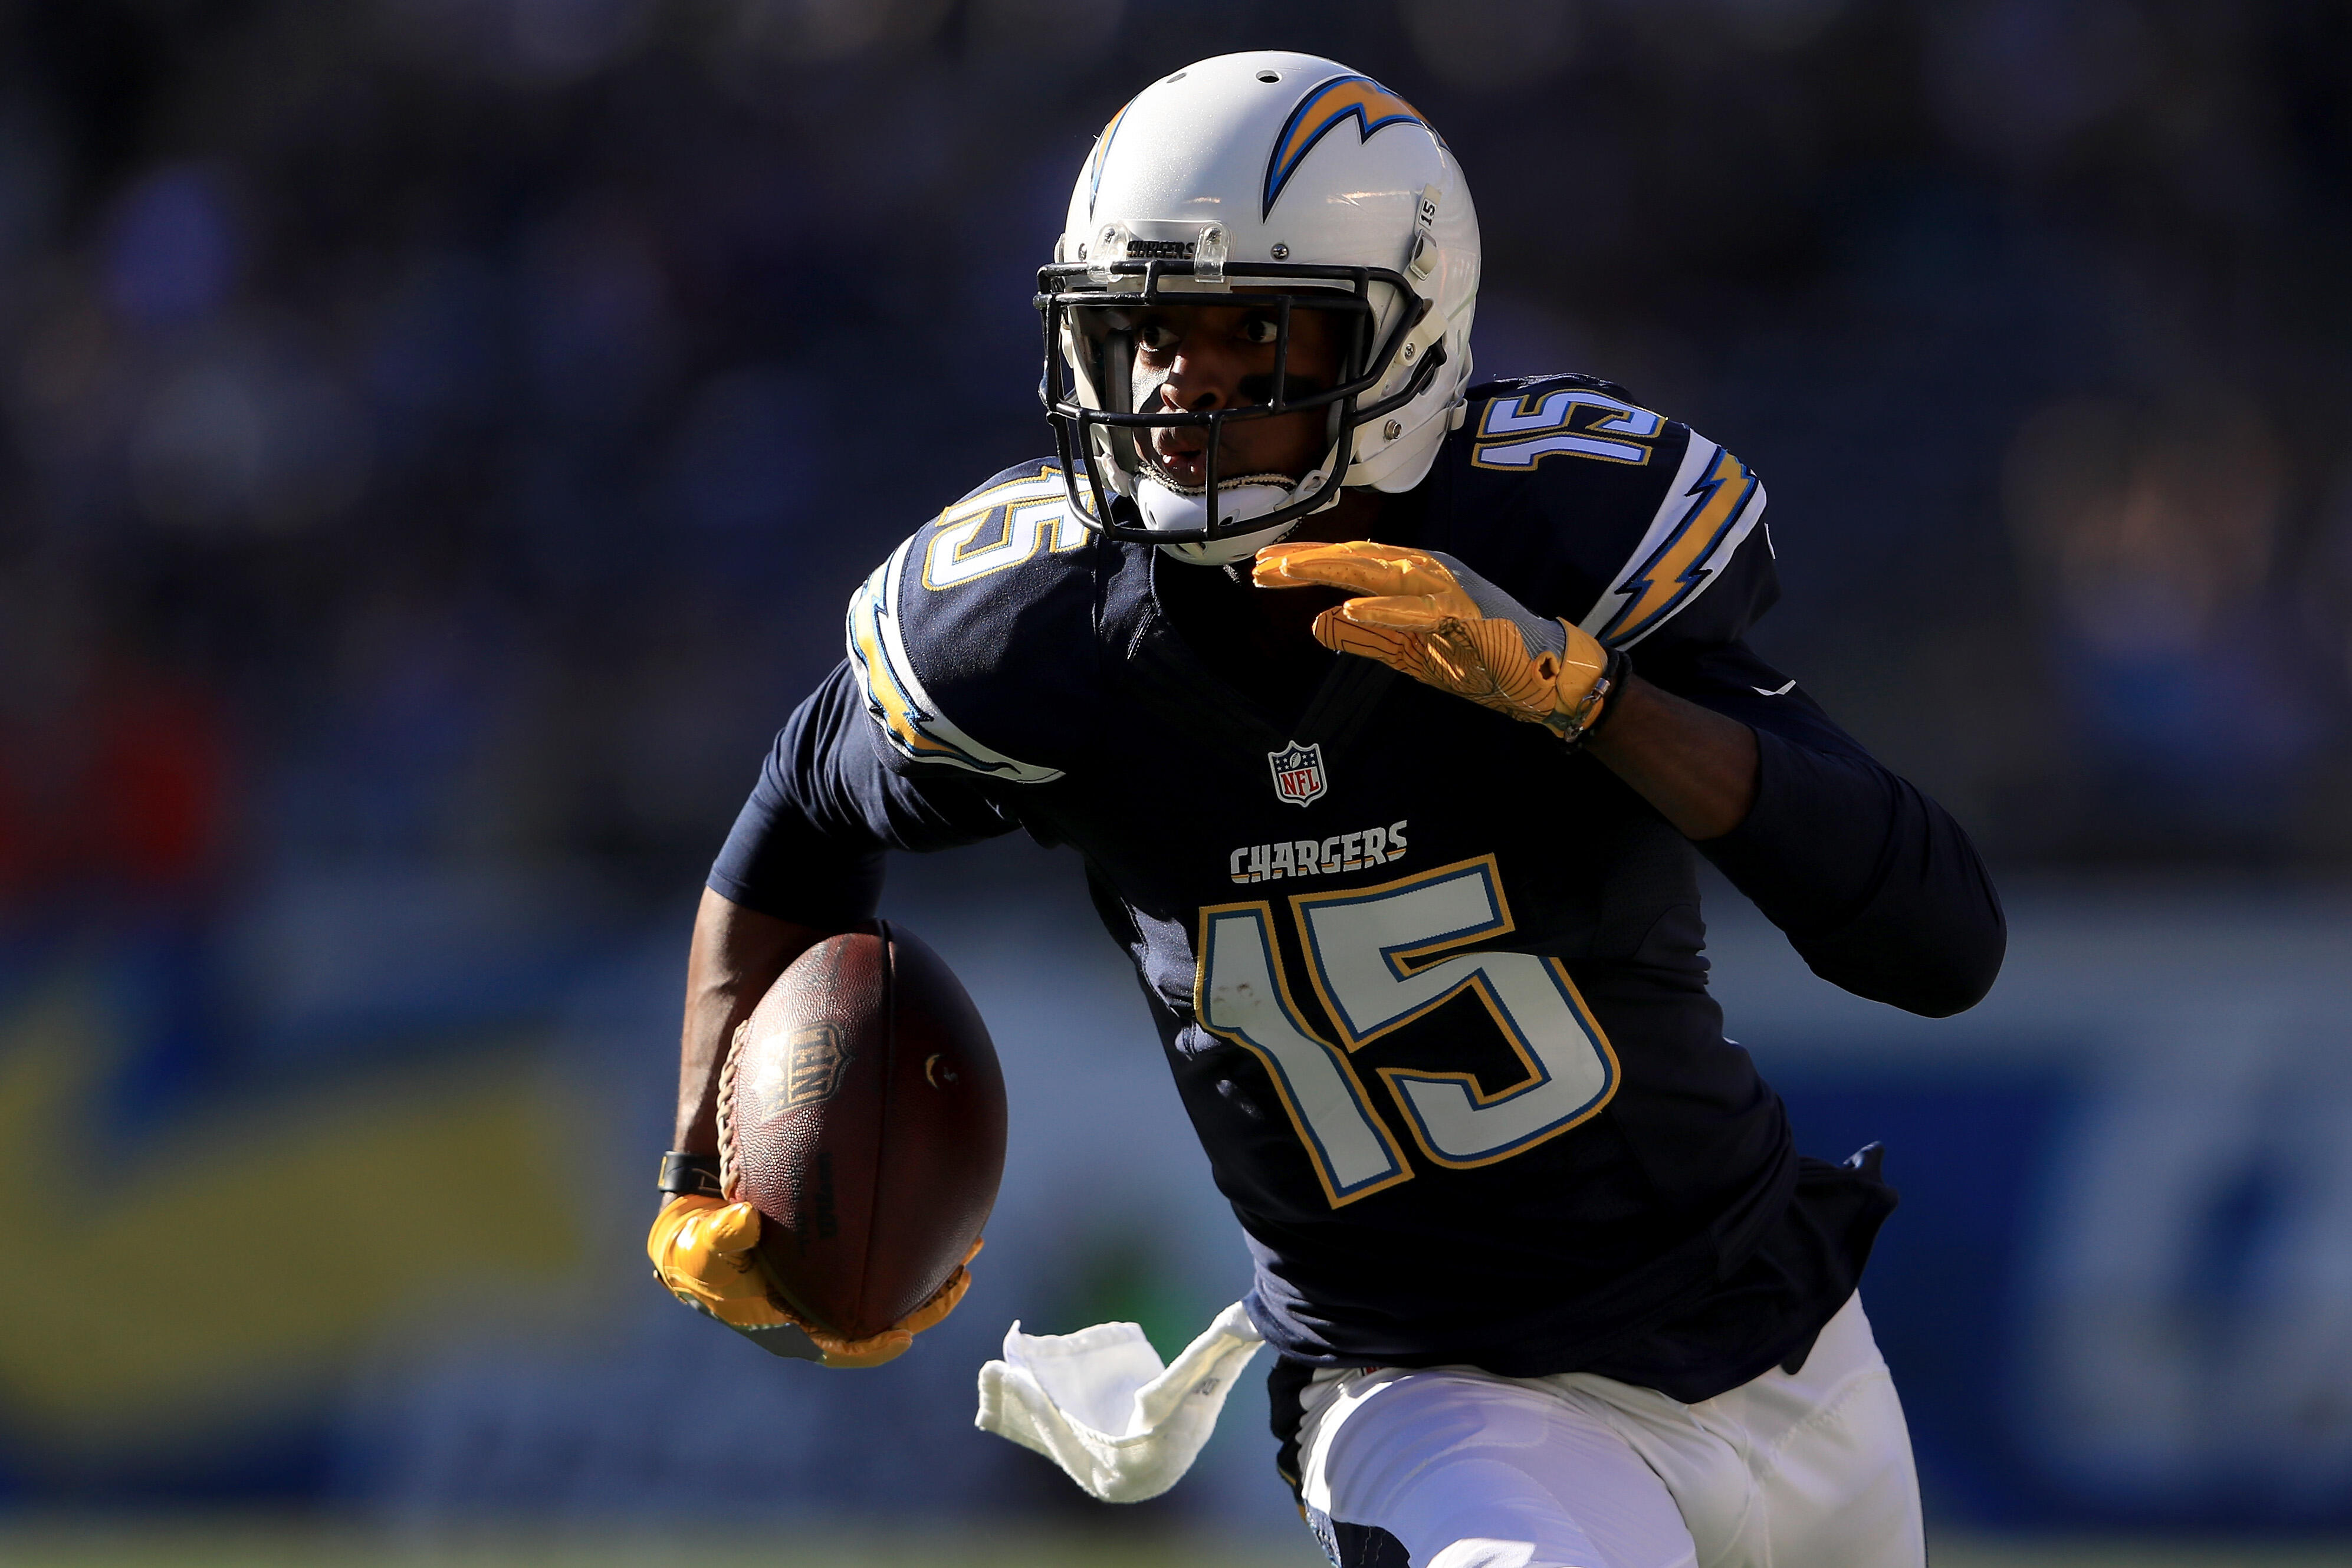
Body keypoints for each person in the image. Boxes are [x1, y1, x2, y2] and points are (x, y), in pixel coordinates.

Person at [646, 50, 2003, 1568]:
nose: (1179, 385)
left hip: (1780, 1340)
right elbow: (798, 810)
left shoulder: (1553, 540)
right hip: (1431, 1393)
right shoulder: (1035, 638)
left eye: (1247, 330)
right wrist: (705, 1157)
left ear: (1405, 345)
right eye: (1144, 331)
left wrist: (1587, 700)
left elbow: (1938, 944)